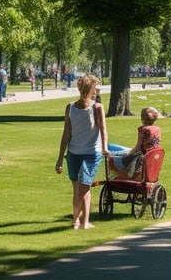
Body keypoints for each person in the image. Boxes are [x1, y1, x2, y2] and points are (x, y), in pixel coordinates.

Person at [55, 74, 109, 230]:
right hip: (82, 154)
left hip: (83, 153)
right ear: (91, 90)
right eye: (95, 89)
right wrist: (60, 159)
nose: (97, 92)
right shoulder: (87, 107)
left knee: (81, 188)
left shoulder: (89, 107)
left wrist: (60, 159)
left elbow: (66, 134)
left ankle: (79, 221)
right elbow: (102, 129)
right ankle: (81, 222)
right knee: (82, 188)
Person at [108, 106, 162, 177]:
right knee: (124, 151)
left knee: (112, 156)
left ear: (142, 118)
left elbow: (137, 148)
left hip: (140, 158)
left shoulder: (142, 129)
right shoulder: (158, 129)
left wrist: (125, 154)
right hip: (151, 156)